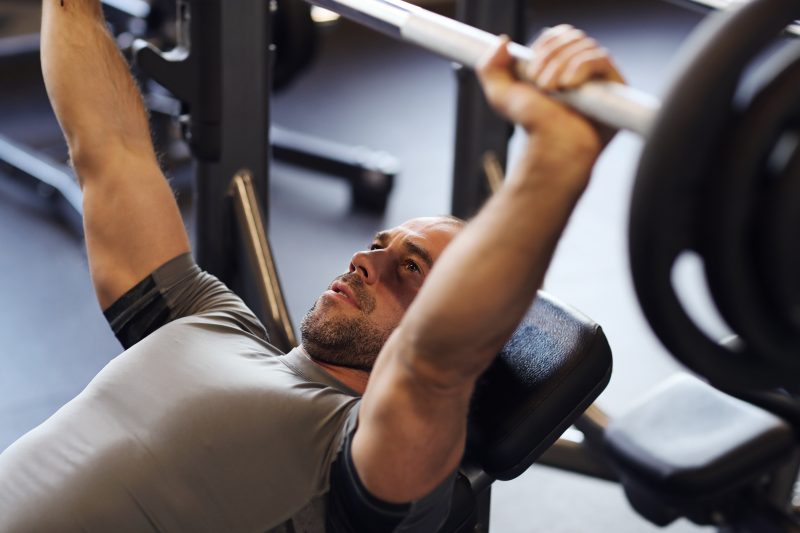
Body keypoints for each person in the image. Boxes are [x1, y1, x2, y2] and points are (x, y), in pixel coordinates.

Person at [0, 1, 624, 531]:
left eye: (411, 269)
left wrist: (556, 160)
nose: (365, 260)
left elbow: (434, 364)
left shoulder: (353, 467)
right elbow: (109, 149)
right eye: (381, 243)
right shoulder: (207, 316)